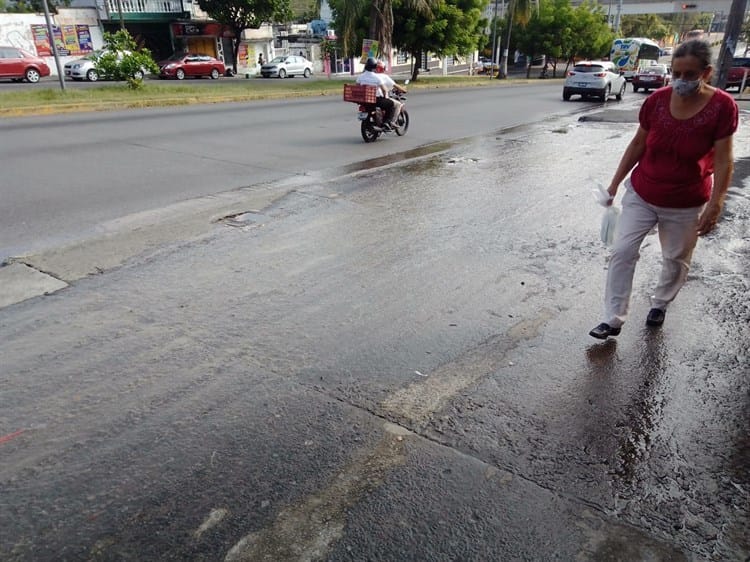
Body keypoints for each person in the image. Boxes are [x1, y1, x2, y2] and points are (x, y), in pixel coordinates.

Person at [589, 39, 738, 339]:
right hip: (643, 192)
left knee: (675, 257)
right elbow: (638, 144)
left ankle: (661, 303)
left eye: (690, 74)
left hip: (685, 200)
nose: (681, 80)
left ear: (706, 73)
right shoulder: (656, 101)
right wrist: (615, 183)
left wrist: (716, 203)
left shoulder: (723, 106)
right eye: (676, 73)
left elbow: (723, 159)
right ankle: (612, 318)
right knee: (622, 251)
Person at [356, 57, 396, 130]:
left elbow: (357, 88)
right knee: (391, 104)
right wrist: (386, 96)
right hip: (375, 100)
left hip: (364, 100)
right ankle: (387, 122)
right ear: (374, 67)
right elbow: (384, 90)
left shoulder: (360, 77)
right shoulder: (377, 78)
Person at [375, 60, 407, 128]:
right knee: (397, 104)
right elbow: (395, 85)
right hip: (379, 98)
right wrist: (404, 90)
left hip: (370, 99)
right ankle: (390, 122)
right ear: (383, 68)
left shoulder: (372, 76)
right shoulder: (384, 76)